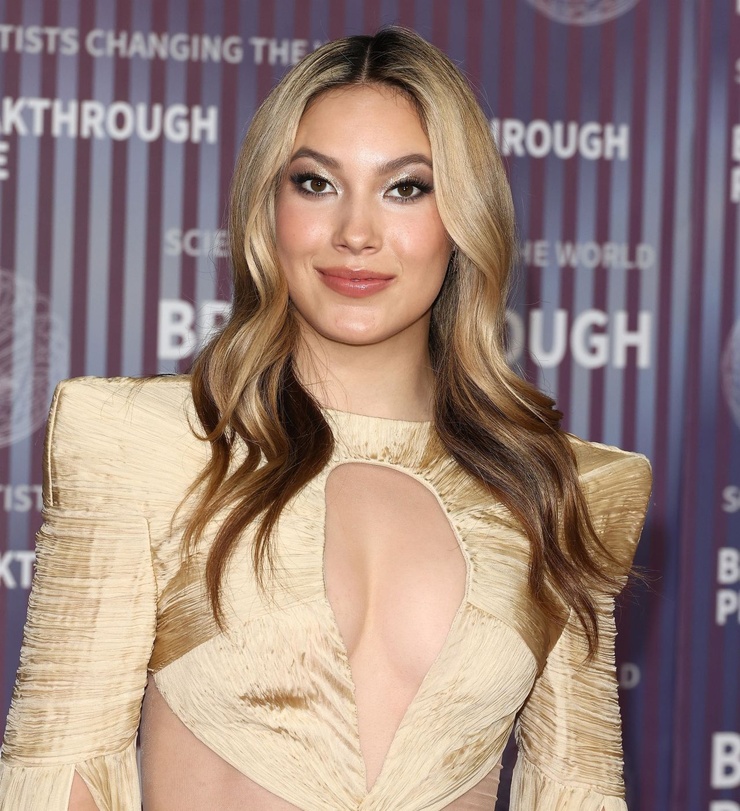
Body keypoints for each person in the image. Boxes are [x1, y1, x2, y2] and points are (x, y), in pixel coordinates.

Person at [0, 26, 651, 811]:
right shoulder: (143, 443)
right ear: (267, 208)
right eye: (316, 183)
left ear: (463, 218)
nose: (356, 233)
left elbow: (579, 790)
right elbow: (59, 771)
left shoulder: (559, 487)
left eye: (406, 188)